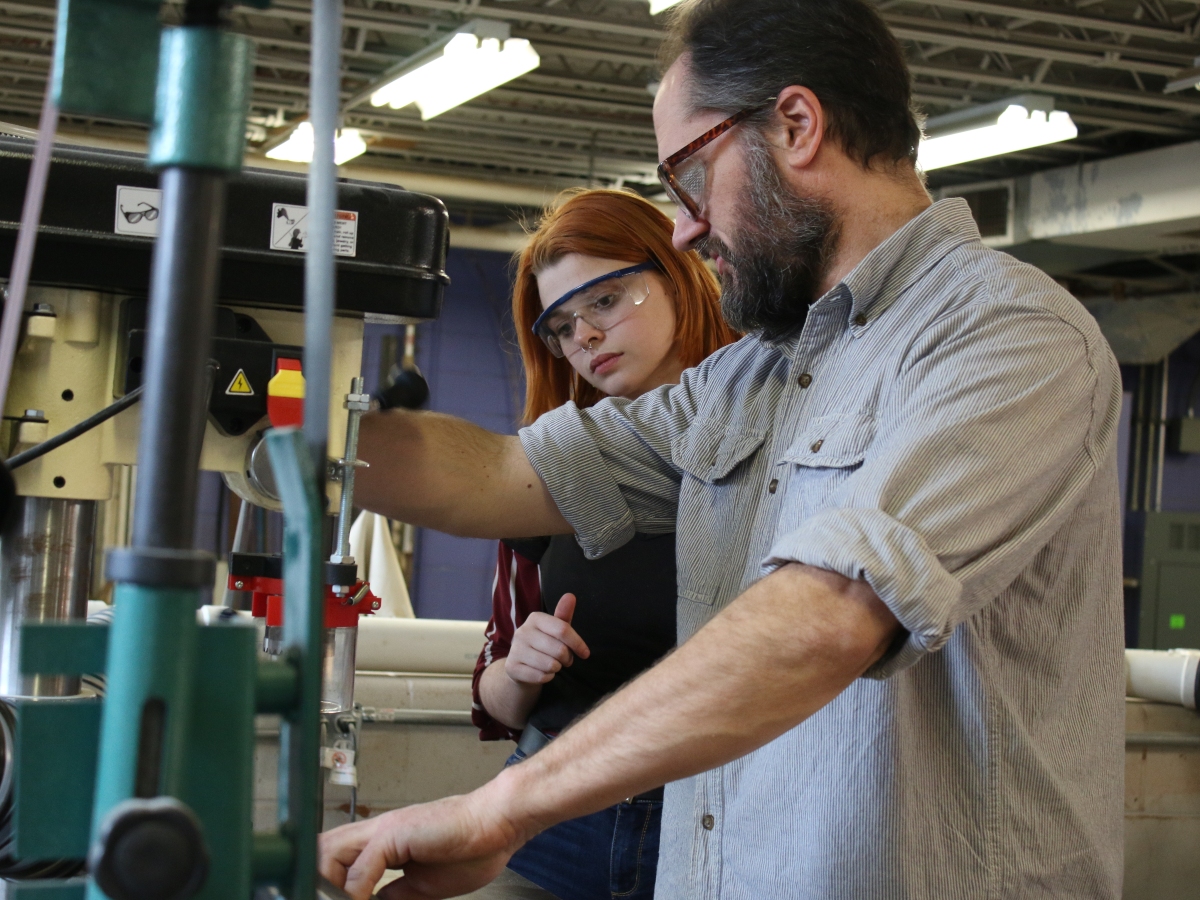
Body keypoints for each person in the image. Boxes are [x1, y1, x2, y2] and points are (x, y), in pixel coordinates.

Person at [319, 0, 1125, 898]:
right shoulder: (749, 378)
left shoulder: (1008, 335)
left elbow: (830, 615)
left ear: (795, 125)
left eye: (690, 174)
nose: (685, 228)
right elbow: (502, 474)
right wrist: (267, 422)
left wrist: (506, 805)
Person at [469, 189, 737, 900]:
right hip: (551, 824)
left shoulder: (775, 440)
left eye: (606, 299)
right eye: (560, 325)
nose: (584, 336)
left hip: (722, 828)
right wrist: (520, 669)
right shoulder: (548, 472)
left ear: (680, 274)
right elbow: (494, 696)